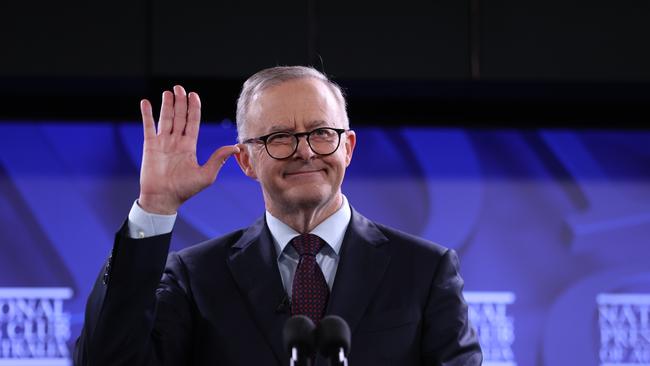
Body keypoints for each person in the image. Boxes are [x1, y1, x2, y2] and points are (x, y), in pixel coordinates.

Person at [74, 66, 482, 366]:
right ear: (247, 160)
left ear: (348, 148)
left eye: (322, 133)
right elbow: (106, 361)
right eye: (279, 137)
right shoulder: (196, 277)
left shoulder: (426, 271)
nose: (305, 151)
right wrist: (155, 206)